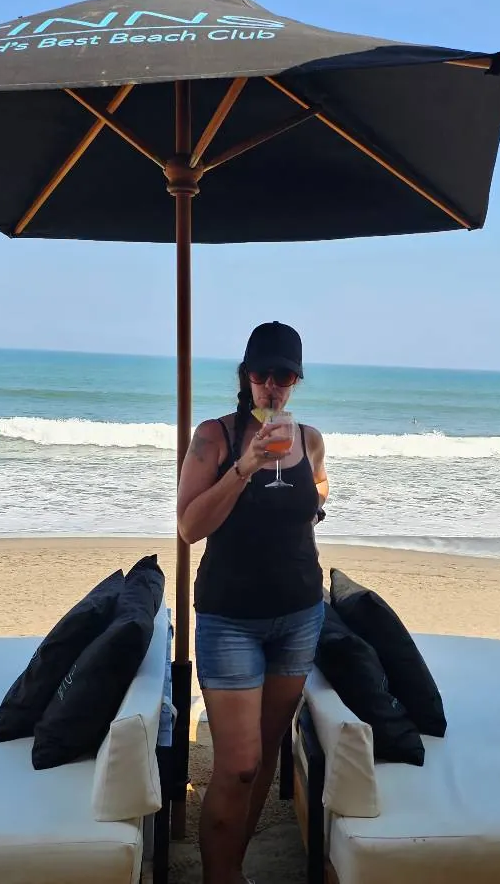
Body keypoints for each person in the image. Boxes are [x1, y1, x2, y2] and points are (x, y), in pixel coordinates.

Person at [177, 321, 329, 884]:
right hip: (230, 618)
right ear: (246, 376)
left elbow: (316, 502)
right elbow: (189, 527)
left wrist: (312, 499)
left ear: (295, 381)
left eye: (284, 376)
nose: (272, 386)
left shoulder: (310, 439)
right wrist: (245, 468)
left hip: (299, 614)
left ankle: (234, 869)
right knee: (237, 766)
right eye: (262, 374)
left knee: (265, 757)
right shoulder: (213, 437)